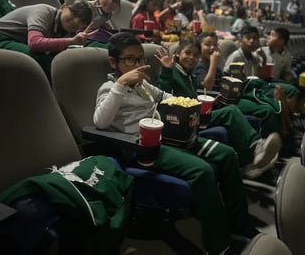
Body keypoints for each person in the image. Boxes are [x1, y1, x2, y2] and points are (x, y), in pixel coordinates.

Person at [94, 32, 261, 255]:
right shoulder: (109, 88)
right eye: (129, 59)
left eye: (140, 59)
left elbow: (167, 97)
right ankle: (218, 245)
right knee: (202, 171)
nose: (137, 65)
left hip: (170, 136)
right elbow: (100, 122)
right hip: (142, 147)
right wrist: (121, 84)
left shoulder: (143, 86)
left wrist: (190, 106)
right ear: (114, 62)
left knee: (227, 154)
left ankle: (238, 222)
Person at [155, 36, 282, 178]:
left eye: (195, 55)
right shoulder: (172, 71)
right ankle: (256, 148)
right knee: (231, 111)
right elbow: (162, 96)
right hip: (182, 122)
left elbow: (194, 94)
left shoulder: (188, 75)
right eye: (187, 53)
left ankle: (251, 159)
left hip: (195, 114)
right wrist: (166, 70)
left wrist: (211, 101)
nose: (191, 57)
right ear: (177, 53)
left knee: (232, 110)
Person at [0, 0, 95, 78]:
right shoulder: (44, 11)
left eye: (82, 21)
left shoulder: (65, 30)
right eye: (74, 14)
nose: (75, 21)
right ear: (63, 7)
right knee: (40, 59)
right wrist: (69, 41)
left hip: (16, 42)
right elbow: (34, 43)